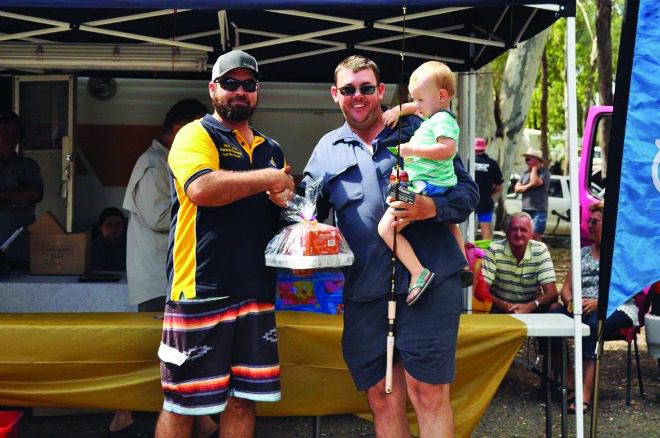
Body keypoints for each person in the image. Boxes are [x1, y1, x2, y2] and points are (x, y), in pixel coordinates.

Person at [301, 54, 478, 437]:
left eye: (366, 87)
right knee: (383, 396)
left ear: (380, 90)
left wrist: (431, 207)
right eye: (349, 89)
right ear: (335, 94)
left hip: (430, 283)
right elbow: (306, 212)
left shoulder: (421, 128)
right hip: (366, 290)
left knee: (428, 392)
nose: (358, 96)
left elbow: (467, 194)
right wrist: (286, 204)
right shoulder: (326, 149)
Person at [155, 50, 294, 438]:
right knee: (183, 402)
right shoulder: (194, 134)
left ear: (257, 91)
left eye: (249, 84)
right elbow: (202, 188)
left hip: (256, 290)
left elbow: (278, 206)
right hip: (201, 289)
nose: (240, 91)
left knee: (243, 400)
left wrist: (288, 203)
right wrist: (271, 178)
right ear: (213, 88)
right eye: (230, 83)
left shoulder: (270, 148)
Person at [113, 99, 210, 437]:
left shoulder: (168, 160)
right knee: (160, 353)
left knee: (177, 352)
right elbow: (158, 217)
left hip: (172, 276)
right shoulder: (154, 165)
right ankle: (124, 416)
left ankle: (199, 419)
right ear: (176, 130)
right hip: (158, 278)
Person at [377, 61, 466, 306]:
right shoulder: (432, 112)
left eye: (419, 100)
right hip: (435, 184)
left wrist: (412, 150)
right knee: (449, 222)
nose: (416, 106)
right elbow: (414, 107)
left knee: (386, 228)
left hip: (427, 186)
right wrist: (398, 110)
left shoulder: (442, 120)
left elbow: (448, 149)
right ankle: (463, 262)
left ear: (441, 96)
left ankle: (418, 272)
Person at [560, 201, 637, 413]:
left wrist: (600, 303)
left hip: (617, 307)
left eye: (595, 222)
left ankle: (585, 393)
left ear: (609, 224)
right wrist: (571, 303)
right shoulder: (582, 252)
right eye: (589, 221)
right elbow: (566, 288)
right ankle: (570, 381)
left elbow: (629, 291)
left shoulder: (620, 255)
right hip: (580, 307)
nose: (590, 226)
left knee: (594, 325)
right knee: (553, 315)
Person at [482, 211, 559, 314]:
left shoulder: (540, 249)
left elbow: (552, 294)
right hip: (499, 307)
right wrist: (506, 306)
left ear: (531, 234)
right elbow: (483, 290)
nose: (518, 234)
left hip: (531, 307)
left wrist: (531, 306)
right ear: (507, 233)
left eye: (523, 230)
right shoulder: (494, 249)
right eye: (514, 229)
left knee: (556, 307)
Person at [0, 111, 43, 266]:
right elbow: (26, 197)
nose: (9, 136)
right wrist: (18, 198)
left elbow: (36, 194)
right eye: (4, 131)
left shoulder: (28, 165)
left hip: (21, 244)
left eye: (14, 132)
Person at [514, 147, 550, 241]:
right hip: (526, 210)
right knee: (526, 234)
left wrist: (534, 169)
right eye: (526, 159)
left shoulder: (544, 172)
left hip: (538, 210)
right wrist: (529, 186)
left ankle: (538, 250)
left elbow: (535, 182)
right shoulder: (525, 173)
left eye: (528, 159)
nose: (526, 162)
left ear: (536, 160)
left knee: (535, 234)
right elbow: (517, 189)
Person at [473, 137, 503, 240]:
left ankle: (467, 248)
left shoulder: (468, 162)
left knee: (468, 229)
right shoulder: (492, 163)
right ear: (484, 148)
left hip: (470, 200)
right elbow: (499, 186)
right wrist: (489, 193)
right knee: (486, 230)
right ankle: (485, 249)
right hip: (486, 201)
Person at [90, 207, 127, 271]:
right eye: (109, 224)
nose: (114, 228)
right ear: (100, 227)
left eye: (118, 224)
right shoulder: (95, 246)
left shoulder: (130, 244)